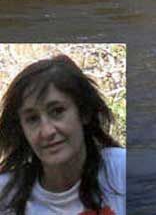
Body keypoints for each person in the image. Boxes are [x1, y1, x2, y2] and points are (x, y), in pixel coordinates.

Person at [0, 55, 125, 215]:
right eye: (32, 119)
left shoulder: (122, 171)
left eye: (57, 111)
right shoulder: (6, 196)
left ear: (84, 112)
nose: (47, 131)